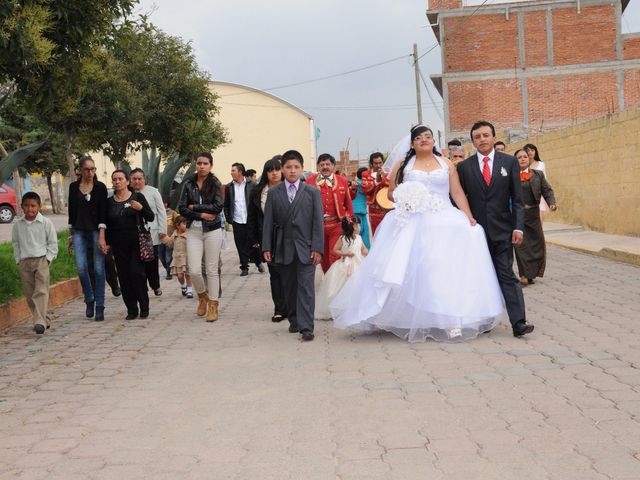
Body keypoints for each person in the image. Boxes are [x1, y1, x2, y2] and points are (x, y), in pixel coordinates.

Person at [331, 125, 505, 342]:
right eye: (419, 137)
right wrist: (406, 196)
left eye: (428, 137)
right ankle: (395, 313)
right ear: (412, 143)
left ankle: (451, 318)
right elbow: (391, 193)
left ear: (434, 141)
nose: (424, 140)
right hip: (412, 220)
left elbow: (457, 192)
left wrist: (468, 216)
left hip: (444, 218)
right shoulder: (403, 165)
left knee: (447, 266)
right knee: (413, 268)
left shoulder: (446, 163)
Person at [457, 120, 534, 338]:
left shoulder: (509, 162)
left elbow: (517, 199)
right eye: (477, 136)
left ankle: (519, 322)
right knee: (481, 277)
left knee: (506, 275)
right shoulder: (464, 167)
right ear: (473, 141)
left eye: (485, 135)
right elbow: (458, 199)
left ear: (493, 137)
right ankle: (484, 319)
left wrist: (518, 227)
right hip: (476, 233)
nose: (482, 139)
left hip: (503, 231)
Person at [262, 150, 324, 341]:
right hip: (283, 247)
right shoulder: (274, 193)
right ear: (282, 169)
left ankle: (307, 327)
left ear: (302, 169)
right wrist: (267, 247)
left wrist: (317, 248)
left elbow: (317, 222)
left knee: (306, 287)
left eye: (296, 167)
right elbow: (268, 222)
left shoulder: (312, 192)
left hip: (306, 247)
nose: (292, 171)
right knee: (288, 287)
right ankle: (295, 320)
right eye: (288, 167)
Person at [179, 152, 225, 322]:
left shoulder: (215, 183)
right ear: (195, 165)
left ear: (211, 165)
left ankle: (213, 304)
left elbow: (218, 207)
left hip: (213, 231)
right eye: (199, 163)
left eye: (205, 163)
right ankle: (202, 296)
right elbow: (182, 208)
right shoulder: (188, 183)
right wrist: (202, 215)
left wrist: (195, 207)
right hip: (194, 231)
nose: (202, 166)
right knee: (194, 270)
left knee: (211, 270)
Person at [105, 170, 155, 320]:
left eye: (120, 179)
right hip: (118, 245)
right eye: (115, 179)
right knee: (124, 277)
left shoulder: (137, 197)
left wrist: (140, 208)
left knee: (136, 273)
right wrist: (106, 243)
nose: (117, 182)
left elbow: (150, 217)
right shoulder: (109, 202)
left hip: (136, 242)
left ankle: (144, 305)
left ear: (127, 181)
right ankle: (131, 309)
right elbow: (106, 224)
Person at [247, 157, 287, 322]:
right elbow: (252, 218)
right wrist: (255, 239)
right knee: (275, 273)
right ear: (266, 173)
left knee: (289, 273)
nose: (274, 173)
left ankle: (291, 307)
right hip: (268, 237)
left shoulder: (290, 188)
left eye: (277, 169)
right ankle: (279, 309)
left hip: (289, 237)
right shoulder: (258, 191)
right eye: (270, 170)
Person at [67, 155, 108, 321]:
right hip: (78, 231)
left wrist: (102, 236)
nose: (90, 172)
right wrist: (70, 235)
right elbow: (71, 211)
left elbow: (104, 213)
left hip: (96, 231)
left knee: (99, 269)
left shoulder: (100, 187)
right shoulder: (73, 187)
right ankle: (89, 299)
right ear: (80, 171)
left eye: (93, 169)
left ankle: (100, 305)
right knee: (81, 268)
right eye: (87, 169)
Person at [12, 192, 58, 334]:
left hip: (41, 260)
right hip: (25, 262)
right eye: (26, 206)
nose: (30, 209)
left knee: (41, 291)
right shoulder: (18, 225)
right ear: (21, 207)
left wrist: (48, 259)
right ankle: (43, 318)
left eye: (33, 206)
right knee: (30, 294)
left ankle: (39, 322)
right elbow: (16, 243)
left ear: (39, 206)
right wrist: (18, 259)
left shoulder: (45, 223)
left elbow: (52, 242)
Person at [514, 148, 557, 286]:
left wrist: (551, 203)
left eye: (525, 156)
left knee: (535, 245)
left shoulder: (538, 175)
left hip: (533, 214)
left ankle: (531, 273)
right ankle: (523, 275)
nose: (522, 159)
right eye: (519, 157)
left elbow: (547, 190)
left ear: (529, 158)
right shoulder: (510, 176)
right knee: (521, 245)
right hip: (517, 215)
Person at [307, 153, 353, 273]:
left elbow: (348, 205)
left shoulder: (342, 181)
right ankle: (328, 280)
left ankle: (336, 284)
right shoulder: (309, 181)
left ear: (333, 166)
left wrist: (349, 222)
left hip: (336, 225)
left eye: (328, 164)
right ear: (318, 167)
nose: (325, 167)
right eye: (322, 165)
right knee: (323, 258)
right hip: (317, 227)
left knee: (335, 255)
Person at [315, 216, 368, 320]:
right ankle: (340, 307)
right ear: (352, 227)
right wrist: (345, 253)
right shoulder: (343, 238)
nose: (359, 227)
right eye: (357, 225)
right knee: (341, 285)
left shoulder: (359, 238)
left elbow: (363, 248)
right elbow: (335, 250)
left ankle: (354, 307)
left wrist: (367, 252)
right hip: (345, 265)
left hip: (358, 263)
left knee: (357, 285)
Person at [130, 168, 167, 296]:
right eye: (134, 179)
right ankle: (142, 287)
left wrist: (163, 230)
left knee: (151, 262)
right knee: (138, 263)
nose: (137, 181)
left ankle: (155, 285)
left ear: (144, 179)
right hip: (134, 233)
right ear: (130, 180)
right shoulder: (127, 193)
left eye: (140, 178)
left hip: (152, 232)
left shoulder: (153, 192)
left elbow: (161, 211)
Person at [224, 162, 264, 276]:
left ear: (240, 172)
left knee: (254, 243)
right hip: (237, 220)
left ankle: (258, 261)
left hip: (250, 220)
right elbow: (226, 205)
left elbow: (257, 202)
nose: (231, 172)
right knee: (240, 244)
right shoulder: (229, 187)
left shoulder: (252, 185)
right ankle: (244, 267)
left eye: (233, 170)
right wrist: (229, 219)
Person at [160, 216, 193, 298]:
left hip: (187, 258)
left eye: (186, 224)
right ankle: (183, 285)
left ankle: (189, 290)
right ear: (178, 225)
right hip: (177, 259)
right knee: (180, 275)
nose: (186, 225)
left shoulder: (189, 234)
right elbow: (170, 244)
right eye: (184, 224)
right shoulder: (174, 234)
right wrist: (164, 238)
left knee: (188, 275)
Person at [361, 152, 390, 236]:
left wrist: (384, 177)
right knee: (377, 234)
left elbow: (392, 185)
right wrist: (376, 181)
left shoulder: (389, 172)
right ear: (371, 164)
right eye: (376, 163)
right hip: (374, 209)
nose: (378, 165)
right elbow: (366, 190)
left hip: (388, 208)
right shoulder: (366, 174)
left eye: (380, 162)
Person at [524, 143, 549, 219]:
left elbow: (545, 180)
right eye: (528, 150)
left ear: (535, 152)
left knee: (539, 218)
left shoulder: (541, 164)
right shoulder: (522, 164)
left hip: (538, 194)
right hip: (525, 195)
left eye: (532, 150)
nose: (530, 152)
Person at [349, 167, 371, 249]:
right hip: (359, 211)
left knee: (357, 233)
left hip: (357, 210)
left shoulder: (355, 183)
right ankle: (366, 253)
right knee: (362, 233)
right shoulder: (364, 184)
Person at [159, 200, 179, 280]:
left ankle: (168, 273)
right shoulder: (157, 213)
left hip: (169, 238)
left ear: (166, 204)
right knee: (161, 256)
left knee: (168, 256)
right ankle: (168, 268)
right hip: (159, 239)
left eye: (163, 202)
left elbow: (178, 222)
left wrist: (176, 233)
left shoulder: (172, 213)